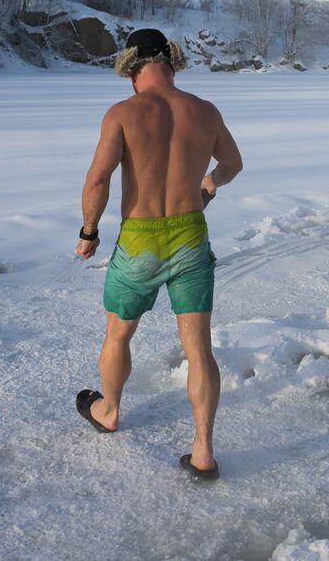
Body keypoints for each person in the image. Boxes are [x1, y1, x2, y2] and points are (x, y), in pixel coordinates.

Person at [72, 28, 244, 480]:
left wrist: (89, 231)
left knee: (118, 335)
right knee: (199, 348)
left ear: (132, 69)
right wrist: (207, 184)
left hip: (139, 241)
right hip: (189, 235)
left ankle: (108, 412)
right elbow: (232, 164)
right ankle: (203, 451)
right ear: (171, 62)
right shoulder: (204, 111)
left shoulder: (124, 113)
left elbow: (97, 180)